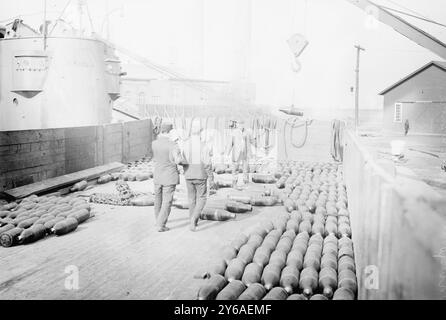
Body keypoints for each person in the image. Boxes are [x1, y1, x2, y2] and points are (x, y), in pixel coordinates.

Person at [151, 122, 185, 232]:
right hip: (169, 176)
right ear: (170, 132)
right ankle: (160, 225)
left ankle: (158, 220)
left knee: (158, 199)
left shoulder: (154, 143)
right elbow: (178, 160)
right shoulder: (173, 145)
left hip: (158, 175)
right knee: (167, 201)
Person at [181, 119, 213, 231]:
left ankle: (192, 220)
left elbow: (182, 160)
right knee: (202, 198)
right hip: (200, 175)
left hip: (188, 175)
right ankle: (194, 219)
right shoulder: (203, 145)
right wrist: (211, 177)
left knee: (191, 199)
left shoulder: (185, 144)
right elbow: (207, 163)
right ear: (200, 132)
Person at [225, 119, 256, 188]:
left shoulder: (248, 132)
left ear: (244, 124)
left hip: (245, 153)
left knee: (246, 168)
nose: (241, 125)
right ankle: (234, 183)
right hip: (236, 153)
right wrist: (227, 154)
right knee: (235, 168)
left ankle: (246, 181)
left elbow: (252, 141)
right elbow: (230, 143)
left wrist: (258, 146)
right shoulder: (233, 132)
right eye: (239, 123)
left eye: (242, 123)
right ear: (237, 124)